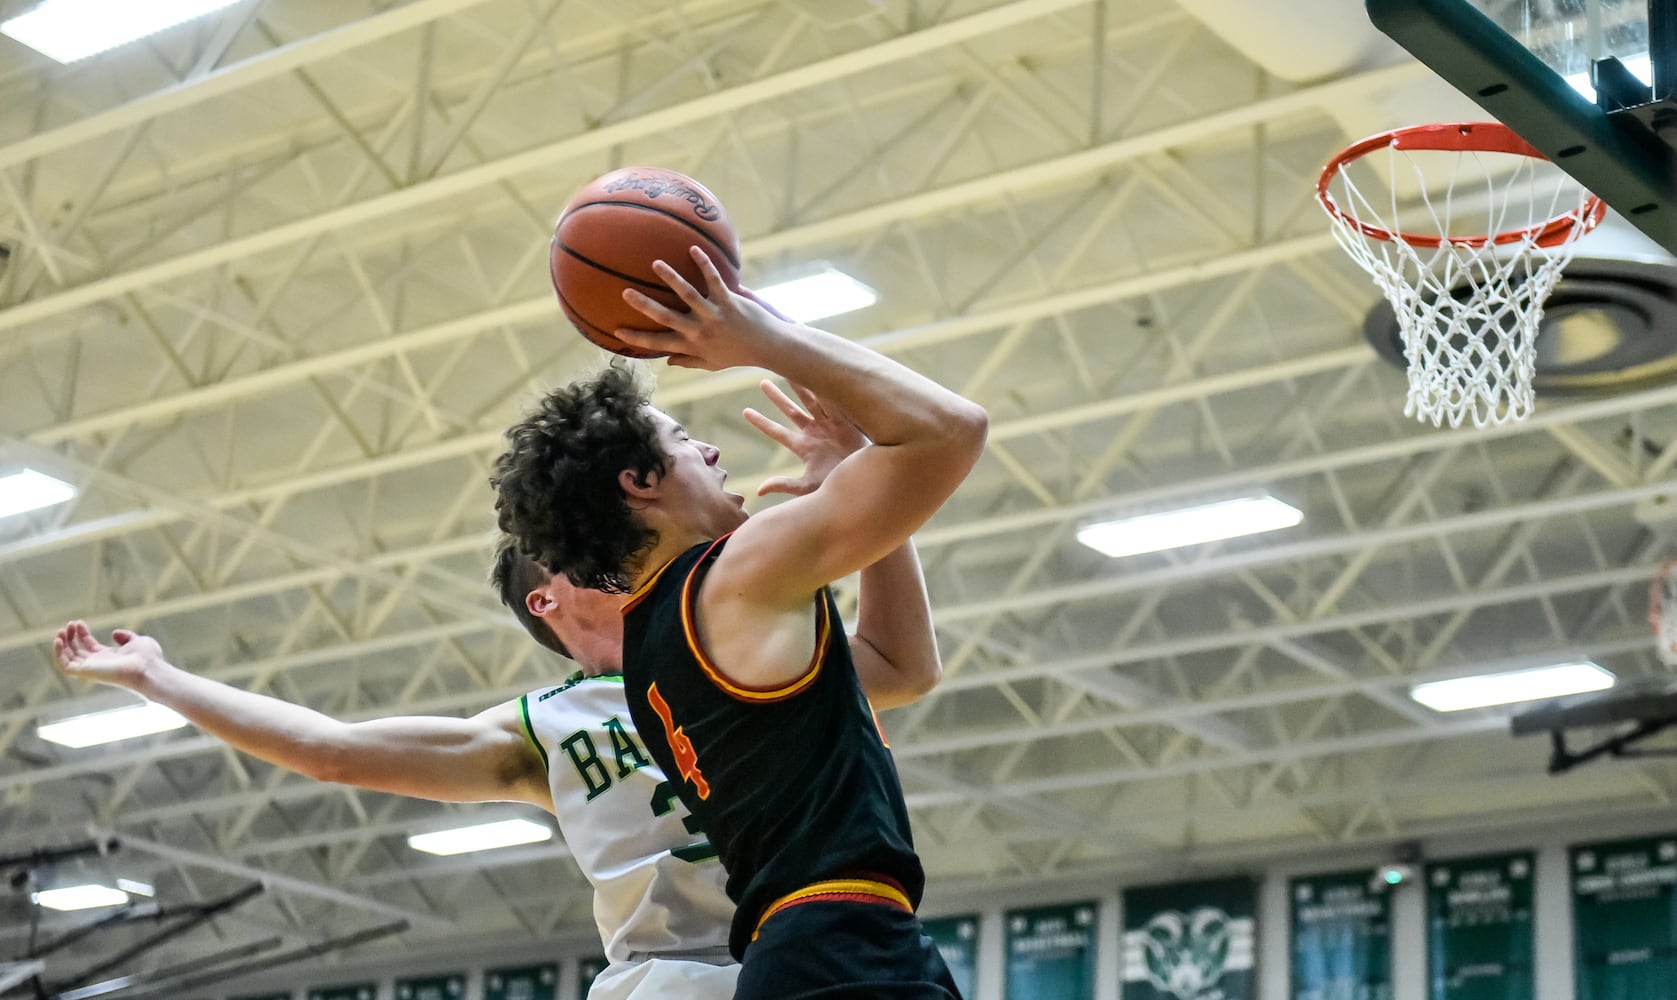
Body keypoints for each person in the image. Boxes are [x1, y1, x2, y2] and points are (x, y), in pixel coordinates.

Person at [51, 375, 933, 999]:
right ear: (549, 593)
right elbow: (333, 750)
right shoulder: (543, 728)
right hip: (677, 981)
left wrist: (868, 517)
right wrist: (162, 679)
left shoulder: (737, 651)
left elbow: (900, 669)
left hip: (804, 948)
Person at [492, 246, 988, 998]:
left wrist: (856, 477)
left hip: (810, 950)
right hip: (840, 949)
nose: (712, 449)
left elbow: (898, 665)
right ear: (640, 482)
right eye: (684, 441)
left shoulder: (660, 649)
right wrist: (759, 337)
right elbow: (950, 429)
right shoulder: (733, 574)